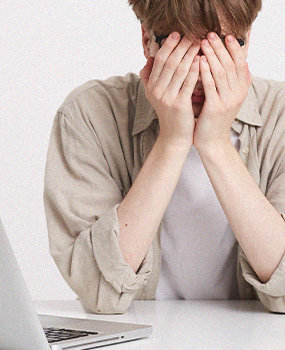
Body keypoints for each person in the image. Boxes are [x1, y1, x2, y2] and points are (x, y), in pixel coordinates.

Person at [44, 0, 285, 314]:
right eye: (182, 52)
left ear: (246, 40)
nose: (200, 73)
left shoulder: (279, 115)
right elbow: (99, 291)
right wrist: (172, 141)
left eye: (217, 51)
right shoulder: (89, 113)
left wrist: (215, 145)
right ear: (147, 40)